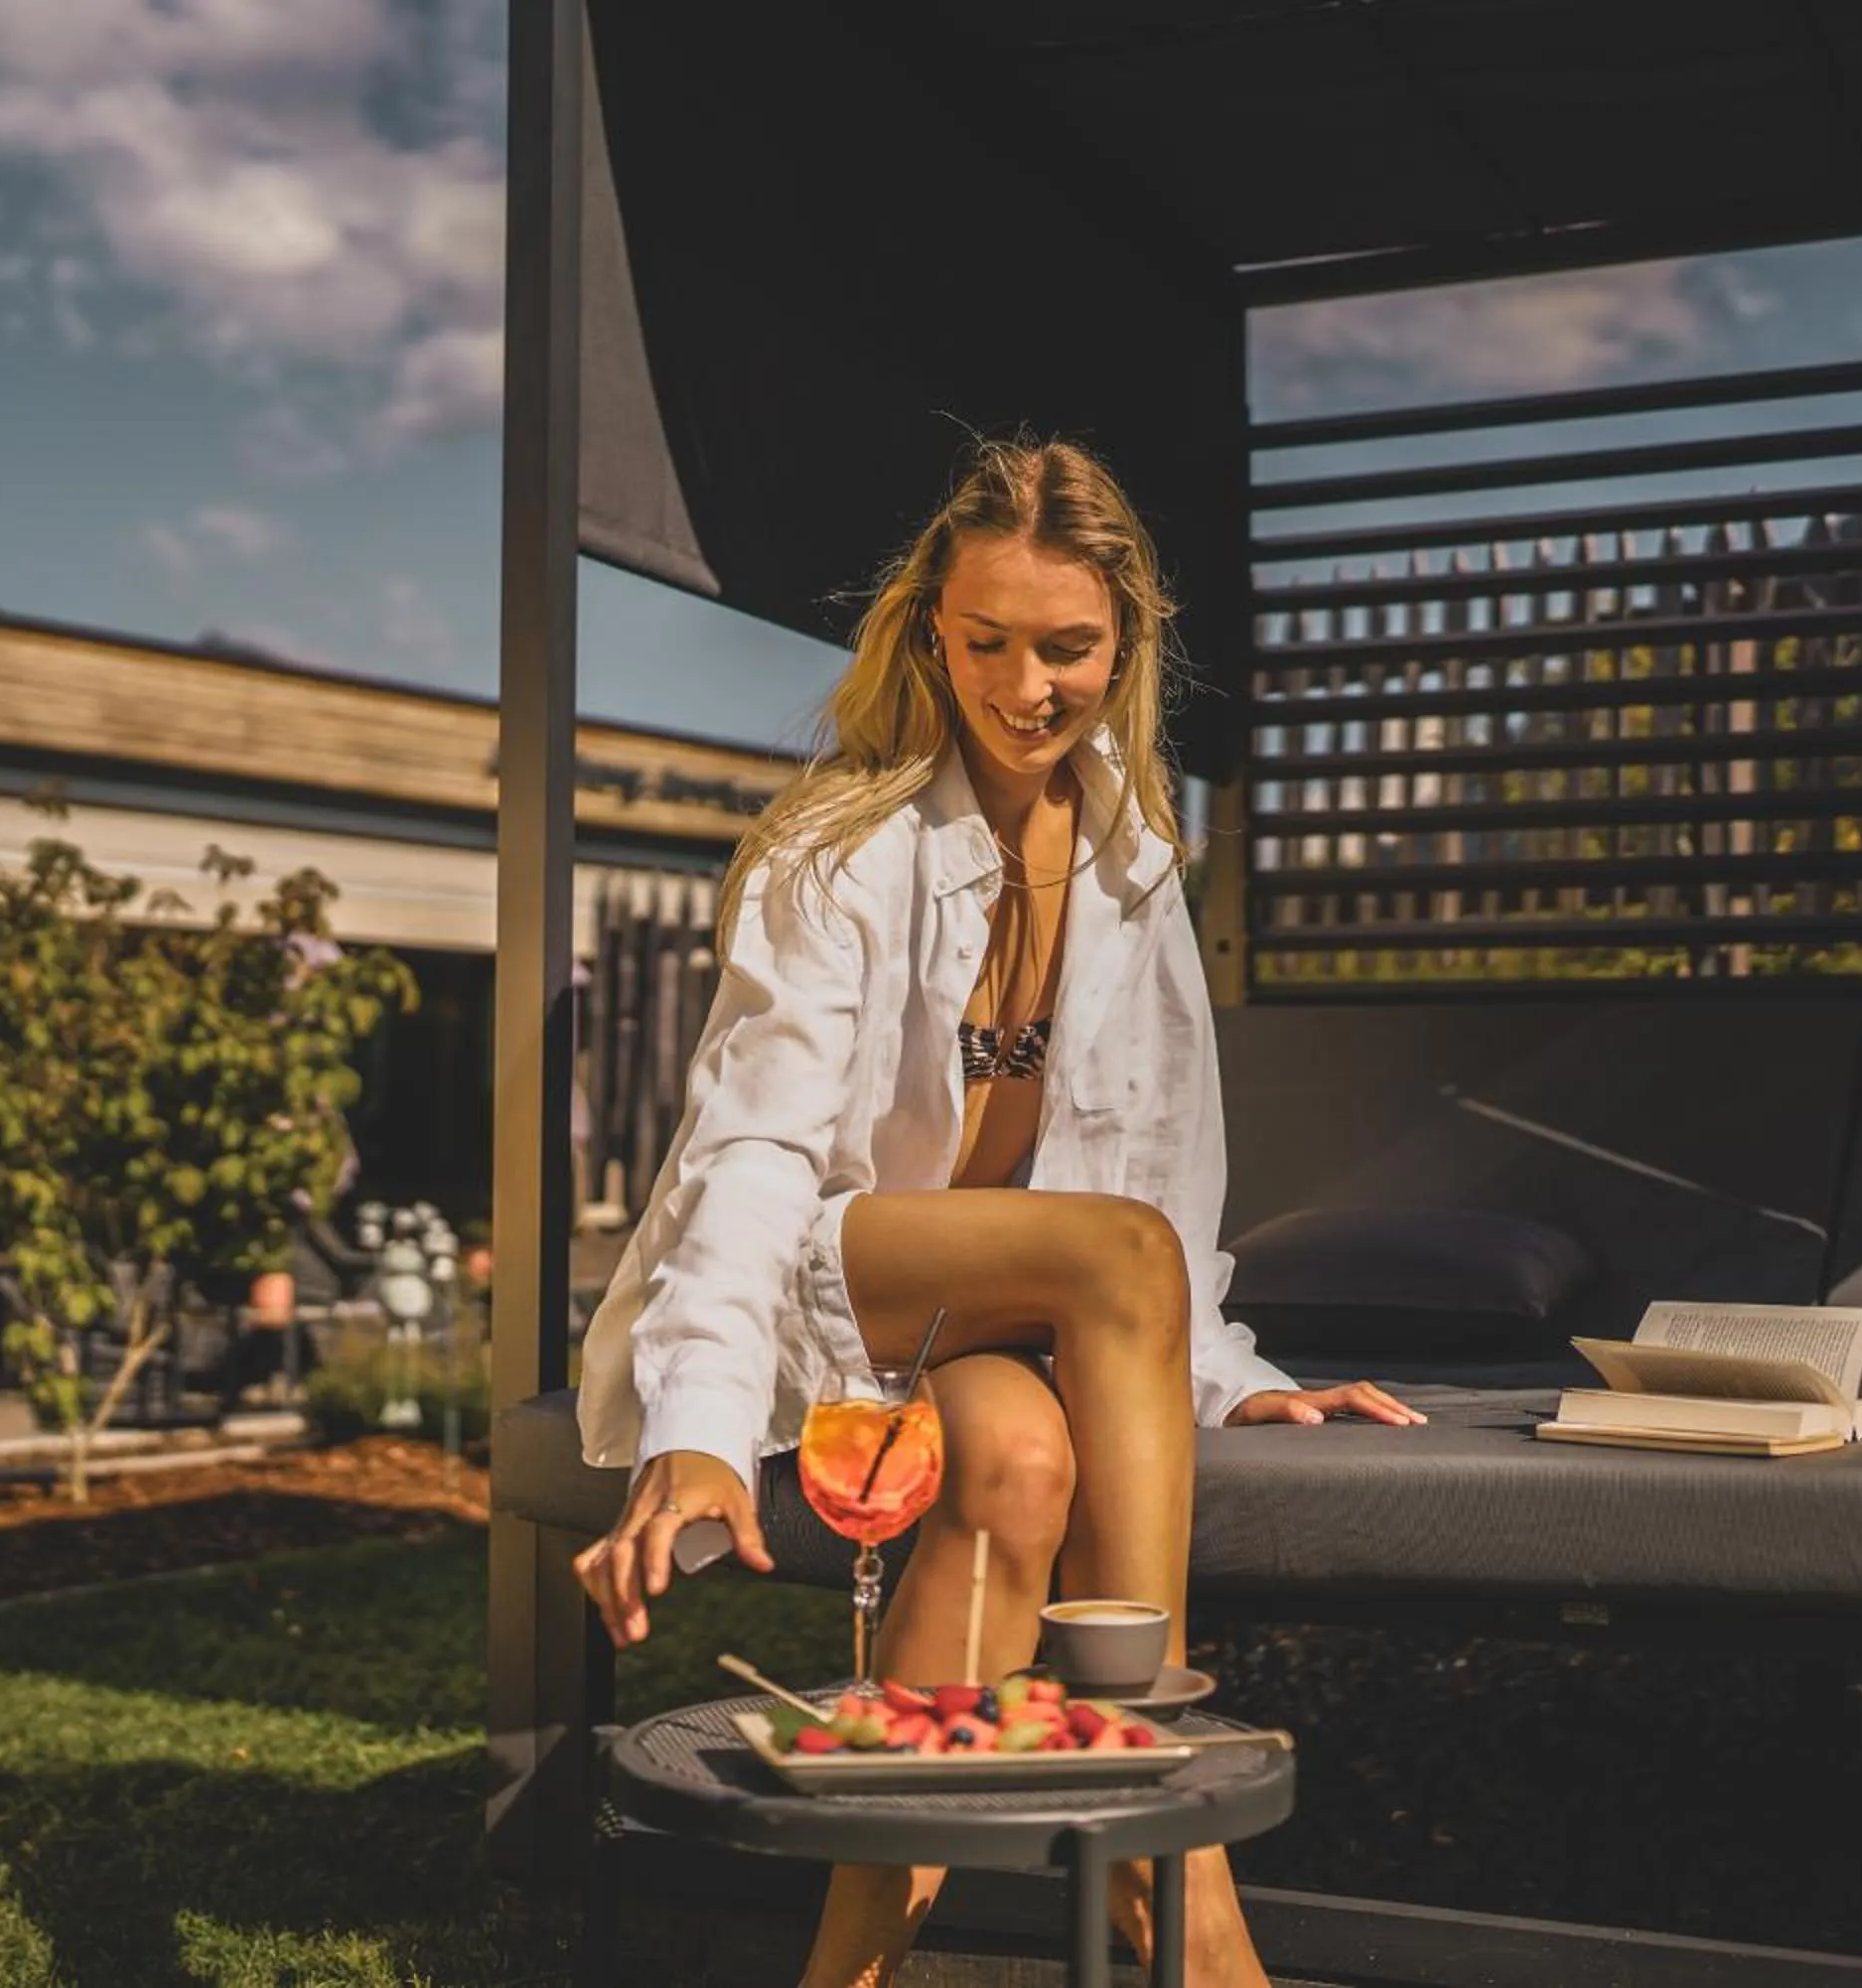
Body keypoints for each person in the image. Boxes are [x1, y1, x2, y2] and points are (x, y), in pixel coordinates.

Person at [573, 435, 1423, 1986]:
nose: (1025, 687)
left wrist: (1227, 1376)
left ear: (1127, 643)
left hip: (1000, 1323)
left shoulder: (1136, 860)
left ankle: (847, 1973)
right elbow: (751, 1149)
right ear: (929, 633)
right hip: (841, 1270)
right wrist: (697, 1420)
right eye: (987, 643)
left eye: (1067, 647)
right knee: (1111, 1253)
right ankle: (1168, 1834)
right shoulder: (840, 846)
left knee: (1020, 1469)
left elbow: (1162, 1166)